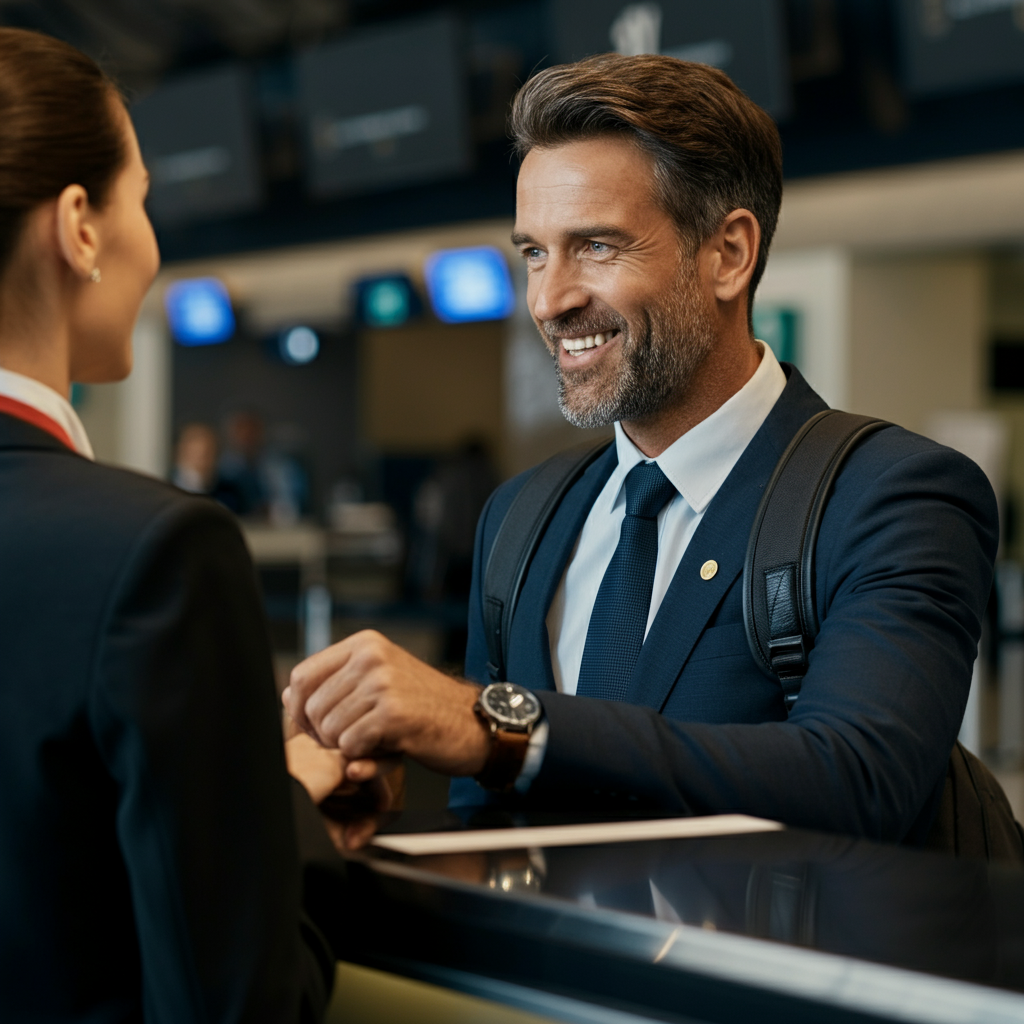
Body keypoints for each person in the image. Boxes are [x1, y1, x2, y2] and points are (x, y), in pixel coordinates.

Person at [283, 55, 997, 845]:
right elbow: (493, 814)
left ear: (728, 254)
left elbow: (864, 779)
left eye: (595, 247)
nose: (551, 300)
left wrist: (498, 727)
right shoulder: (522, 515)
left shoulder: (893, 497)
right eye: (534, 253)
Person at [0, 28, 343, 1021]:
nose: (153, 242)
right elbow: (238, 1004)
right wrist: (284, 806)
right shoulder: (153, 554)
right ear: (80, 226)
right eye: (141, 198)